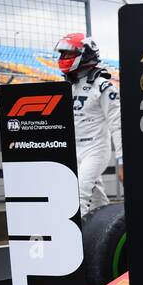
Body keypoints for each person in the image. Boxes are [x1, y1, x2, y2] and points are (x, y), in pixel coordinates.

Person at [55, 34, 122, 216]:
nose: (63, 59)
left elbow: (118, 125)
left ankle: (74, 243)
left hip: (96, 149)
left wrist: (122, 161)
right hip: (73, 150)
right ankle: (111, 229)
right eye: (62, 54)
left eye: (68, 54)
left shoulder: (103, 86)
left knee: (77, 196)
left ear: (84, 55)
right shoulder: (65, 87)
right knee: (97, 203)